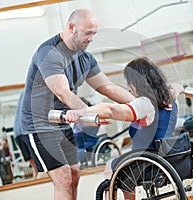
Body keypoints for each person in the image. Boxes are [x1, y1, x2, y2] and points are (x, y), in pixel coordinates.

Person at [20, 9, 134, 200]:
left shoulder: (85, 58)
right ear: (72, 28)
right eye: (87, 33)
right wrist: (88, 114)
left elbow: (108, 87)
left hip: (63, 123)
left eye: (94, 33)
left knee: (74, 175)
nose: (91, 39)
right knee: (63, 179)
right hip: (38, 126)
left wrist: (141, 102)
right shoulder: (49, 53)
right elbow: (63, 92)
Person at [65, 57, 184, 199]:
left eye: (130, 84)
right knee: (122, 163)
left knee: (111, 165)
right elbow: (177, 86)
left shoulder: (145, 103)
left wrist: (80, 112)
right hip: (166, 156)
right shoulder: (170, 97)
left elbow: (110, 109)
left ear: (138, 83)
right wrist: (178, 88)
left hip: (145, 162)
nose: (128, 89)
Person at [14, 91, 48, 179]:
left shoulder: (25, 92)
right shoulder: (34, 91)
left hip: (18, 134)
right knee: (42, 168)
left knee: (36, 169)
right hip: (26, 132)